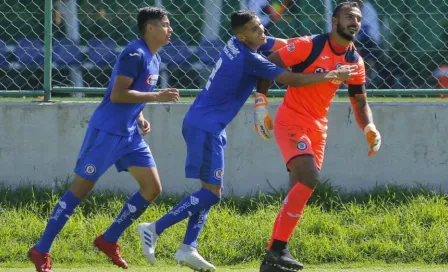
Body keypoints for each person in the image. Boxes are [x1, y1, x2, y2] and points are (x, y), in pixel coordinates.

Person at [136, 9, 357, 272]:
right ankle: (153, 228)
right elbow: (293, 79)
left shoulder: (237, 43)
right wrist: (332, 75)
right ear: (242, 36)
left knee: (210, 190)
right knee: (211, 194)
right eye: (255, 29)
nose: (262, 31)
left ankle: (187, 248)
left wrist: (310, 42)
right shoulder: (249, 58)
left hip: (208, 124)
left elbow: (281, 44)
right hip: (205, 127)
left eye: (261, 26)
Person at [28, 6, 179, 272]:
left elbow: (134, 93)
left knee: (152, 188)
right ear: (150, 27)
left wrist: (140, 115)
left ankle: (108, 240)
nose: (170, 30)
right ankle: (41, 250)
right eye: (165, 24)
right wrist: (157, 97)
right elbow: (119, 95)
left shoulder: (154, 58)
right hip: (107, 132)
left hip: (130, 134)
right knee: (79, 191)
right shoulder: (134, 53)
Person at [256, 2, 382, 271]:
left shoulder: (355, 61)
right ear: (334, 21)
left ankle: (272, 259)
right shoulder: (308, 45)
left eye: (358, 18)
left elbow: (360, 102)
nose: (355, 22)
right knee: (310, 178)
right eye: (349, 16)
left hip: (318, 128)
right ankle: (278, 250)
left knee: (298, 191)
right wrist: (260, 104)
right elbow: (268, 64)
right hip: (291, 121)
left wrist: (369, 127)